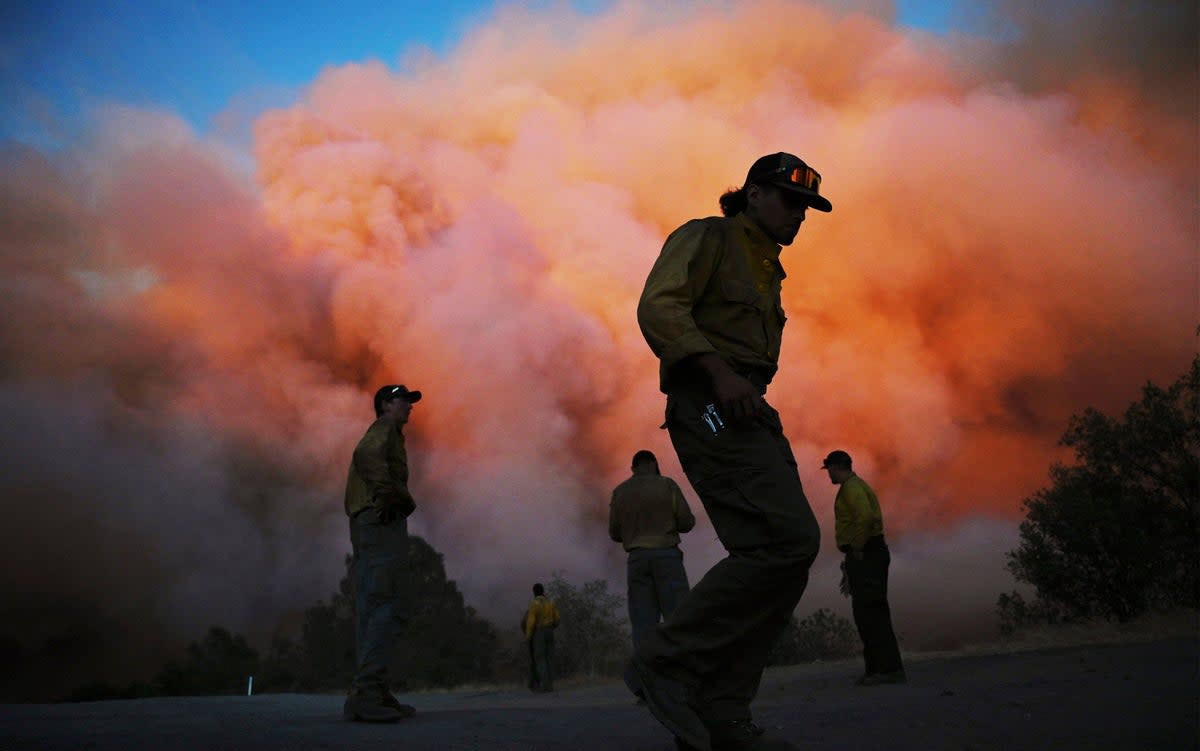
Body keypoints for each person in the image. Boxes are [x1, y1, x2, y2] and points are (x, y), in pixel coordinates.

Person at [631, 152, 830, 751]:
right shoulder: (708, 238)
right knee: (788, 542)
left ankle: (721, 709)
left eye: (806, 208)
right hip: (710, 403)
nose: (799, 215)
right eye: (789, 201)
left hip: (743, 407)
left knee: (781, 551)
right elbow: (659, 307)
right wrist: (719, 375)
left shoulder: (767, 267)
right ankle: (664, 664)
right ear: (752, 195)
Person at [342, 384, 422, 723]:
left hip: (368, 522)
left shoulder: (389, 432)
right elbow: (366, 456)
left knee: (372, 606)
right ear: (387, 404)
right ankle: (369, 692)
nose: (410, 407)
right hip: (378, 520)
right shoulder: (384, 428)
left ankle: (370, 691)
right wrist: (391, 495)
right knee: (386, 604)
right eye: (404, 400)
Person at [820, 450, 905, 686]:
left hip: (866, 553)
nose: (829, 475)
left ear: (837, 467)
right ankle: (880, 669)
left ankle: (886, 670)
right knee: (869, 611)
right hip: (868, 552)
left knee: (870, 613)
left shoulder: (851, 488)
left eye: (830, 470)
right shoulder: (855, 486)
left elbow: (865, 517)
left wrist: (857, 548)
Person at [609, 449, 696, 651]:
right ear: (654, 464)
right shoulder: (667, 485)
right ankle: (683, 668)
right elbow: (686, 522)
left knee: (643, 622)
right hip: (667, 556)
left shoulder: (620, 491)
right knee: (678, 617)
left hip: (637, 559)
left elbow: (614, 533)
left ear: (633, 468)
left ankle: (648, 672)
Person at [523, 583, 561, 692]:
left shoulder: (534, 604)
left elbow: (531, 622)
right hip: (550, 631)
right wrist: (552, 628)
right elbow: (558, 618)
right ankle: (550, 685)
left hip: (539, 632)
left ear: (534, 592)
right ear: (543, 591)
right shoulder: (550, 603)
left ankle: (545, 686)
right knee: (549, 658)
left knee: (540, 659)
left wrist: (528, 636)